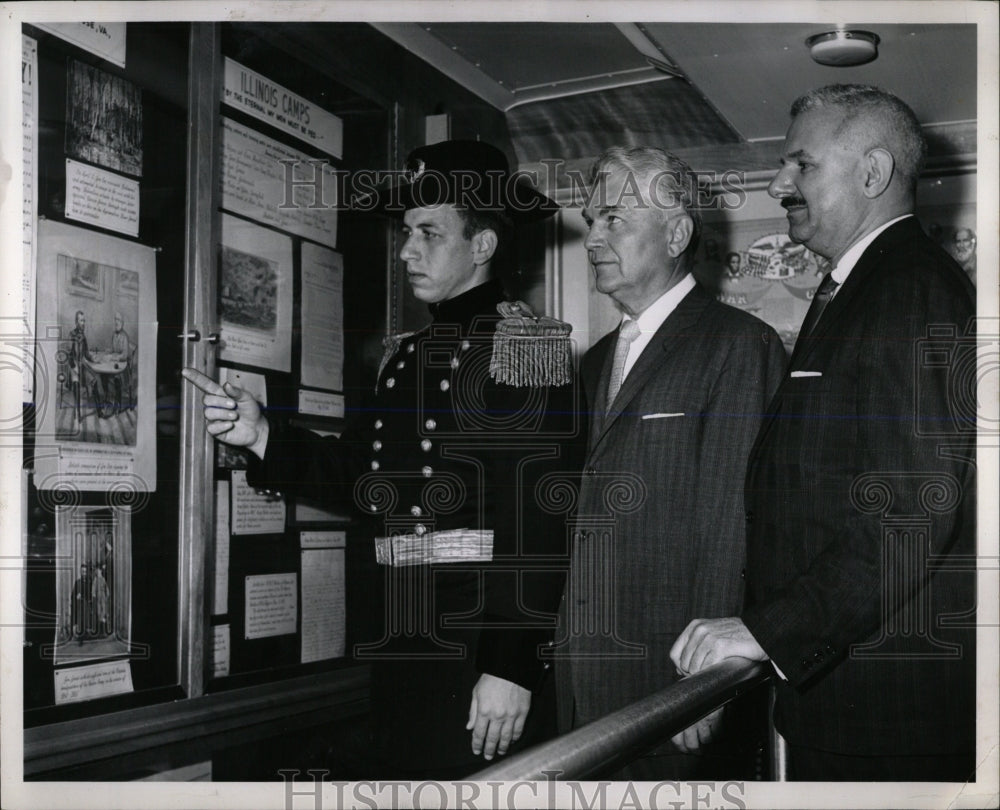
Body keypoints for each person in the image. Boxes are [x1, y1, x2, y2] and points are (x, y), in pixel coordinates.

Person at [184, 140, 580, 779]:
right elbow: (361, 479)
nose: (405, 251)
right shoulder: (405, 355)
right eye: (405, 233)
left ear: (482, 245)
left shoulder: (523, 345)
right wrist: (262, 436)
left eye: (429, 232)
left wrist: (511, 663)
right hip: (403, 634)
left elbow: (539, 517)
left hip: (478, 641)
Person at [671, 84, 976, 782]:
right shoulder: (864, 285)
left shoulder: (907, 291)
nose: (779, 184)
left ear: (872, 174)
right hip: (855, 700)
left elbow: (909, 509)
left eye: (800, 165)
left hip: (886, 720)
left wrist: (766, 631)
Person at [554, 146, 786, 779]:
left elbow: (728, 522)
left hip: (672, 690)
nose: (592, 237)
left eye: (613, 220)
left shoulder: (738, 346)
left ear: (678, 233)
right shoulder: (596, 360)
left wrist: (706, 681)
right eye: (591, 219)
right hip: (586, 684)